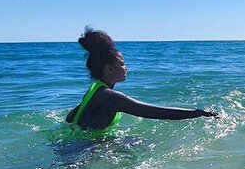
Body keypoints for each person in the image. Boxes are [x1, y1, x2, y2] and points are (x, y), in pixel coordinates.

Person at [65, 28, 217, 133]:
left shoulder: (95, 90)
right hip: (83, 150)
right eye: (122, 64)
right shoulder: (110, 97)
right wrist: (198, 113)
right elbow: (153, 112)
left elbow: (71, 118)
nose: (126, 67)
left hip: (79, 145)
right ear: (109, 68)